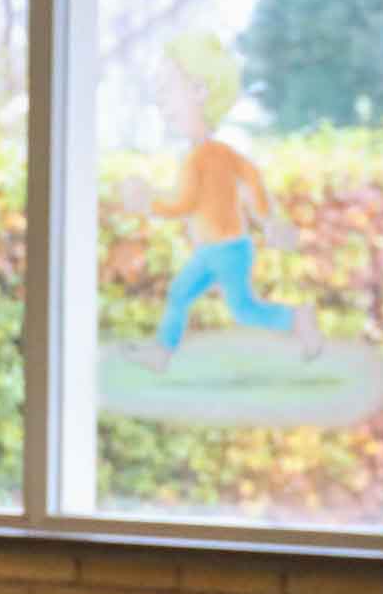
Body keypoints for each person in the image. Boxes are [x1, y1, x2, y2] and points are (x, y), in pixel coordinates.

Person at [123, 30, 320, 372]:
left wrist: (148, 203)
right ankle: (161, 354)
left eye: (169, 88)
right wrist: (264, 217)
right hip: (218, 249)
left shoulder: (200, 158)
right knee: (181, 294)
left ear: (200, 92)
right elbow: (252, 176)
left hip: (226, 250)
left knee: (243, 309)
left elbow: (182, 205)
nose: (161, 101)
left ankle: (299, 319)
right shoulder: (220, 153)